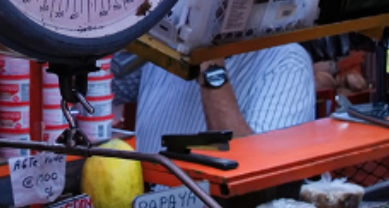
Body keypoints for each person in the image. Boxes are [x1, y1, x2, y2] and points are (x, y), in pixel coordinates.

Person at [133, 44, 317, 148]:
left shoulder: (287, 62)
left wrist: (211, 61)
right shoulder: (167, 44)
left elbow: (251, 178)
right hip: (143, 206)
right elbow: (112, 88)